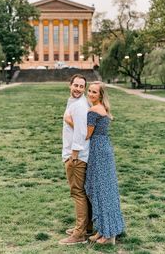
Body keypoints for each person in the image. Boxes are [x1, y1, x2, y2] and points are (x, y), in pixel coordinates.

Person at [65, 81, 125, 245]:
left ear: (100, 95)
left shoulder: (92, 111)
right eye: (89, 91)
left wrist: (69, 121)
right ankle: (103, 230)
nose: (90, 94)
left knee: (101, 190)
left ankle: (107, 234)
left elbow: (85, 134)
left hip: (98, 152)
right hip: (105, 148)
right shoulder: (104, 109)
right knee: (105, 188)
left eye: (94, 92)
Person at [59, 74, 92, 246]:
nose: (78, 89)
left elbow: (80, 132)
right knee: (82, 193)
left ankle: (79, 234)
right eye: (76, 85)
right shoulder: (75, 102)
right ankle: (86, 227)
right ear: (69, 85)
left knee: (77, 193)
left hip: (76, 156)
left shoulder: (79, 105)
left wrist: (74, 156)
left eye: (81, 86)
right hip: (78, 154)